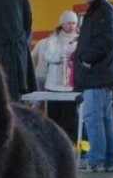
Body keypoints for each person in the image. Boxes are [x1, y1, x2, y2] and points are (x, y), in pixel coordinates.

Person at [73, 0, 113, 172]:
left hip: (97, 74)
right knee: (105, 118)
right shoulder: (103, 9)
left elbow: (106, 40)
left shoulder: (102, 10)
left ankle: (97, 159)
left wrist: (86, 58)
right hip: (105, 74)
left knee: (94, 119)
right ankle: (110, 161)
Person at [31, 10, 79, 140]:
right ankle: (54, 141)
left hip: (71, 85)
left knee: (70, 117)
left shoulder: (79, 39)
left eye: (74, 23)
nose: (71, 26)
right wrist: (62, 57)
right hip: (53, 84)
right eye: (68, 23)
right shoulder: (53, 39)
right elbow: (48, 56)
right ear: (62, 24)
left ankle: (71, 143)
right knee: (54, 117)